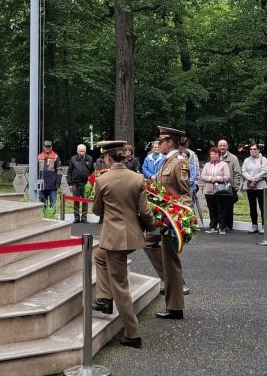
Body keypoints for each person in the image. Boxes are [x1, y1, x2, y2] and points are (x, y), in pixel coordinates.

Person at [90, 140, 157, 349]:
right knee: (99, 257)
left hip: (114, 239)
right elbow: (145, 211)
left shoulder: (103, 180)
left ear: (107, 157)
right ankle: (104, 298)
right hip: (131, 235)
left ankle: (133, 333)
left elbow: (96, 211)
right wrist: (153, 227)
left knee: (120, 286)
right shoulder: (137, 178)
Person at [144, 126, 189, 319]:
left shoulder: (179, 163)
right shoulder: (166, 162)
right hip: (162, 217)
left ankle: (175, 307)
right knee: (147, 242)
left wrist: (180, 217)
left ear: (169, 142)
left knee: (171, 262)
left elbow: (185, 194)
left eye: (161, 141)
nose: (158, 144)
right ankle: (173, 281)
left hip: (171, 219)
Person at [201, 147, 230, 234]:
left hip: (220, 191)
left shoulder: (224, 164)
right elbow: (202, 176)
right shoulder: (207, 165)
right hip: (209, 191)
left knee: (221, 209)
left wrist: (217, 178)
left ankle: (221, 227)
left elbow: (227, 177)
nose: (213, 156)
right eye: (212, 154)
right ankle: (212, 226)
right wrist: (210, 179)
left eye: (215, 154)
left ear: (219, 155)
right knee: (212, 209)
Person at [241, 143, 267, 233]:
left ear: (258, 150)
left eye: (254, 149)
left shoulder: (263, 159)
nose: (252, 151)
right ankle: (254, 225)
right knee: (252, 206)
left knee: (262, 207)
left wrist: (255, 179)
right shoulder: (246, 160)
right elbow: (243, 171)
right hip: (250, 187)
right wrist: (250, 179)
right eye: (251, 149)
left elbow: (264, 171)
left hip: (261, 186)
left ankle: (264, 226)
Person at [67, 144, 95, 223]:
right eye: (80, 151)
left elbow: (92, 172)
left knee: (85, 201)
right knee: (76, 201)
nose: (82, 153)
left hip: (86, 184)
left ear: (85, 151)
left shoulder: (90, 158)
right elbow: (69, 172)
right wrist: (70, 184)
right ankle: (76, 218)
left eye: (83, 151)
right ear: (77, 151)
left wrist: (92, 184)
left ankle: (84, 218)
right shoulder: (73, 159)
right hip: (75, 183)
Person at [218, 140, 241, 232]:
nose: (222, 147)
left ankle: (228, 225)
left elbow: (237, 173)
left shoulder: (233, 158)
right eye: (220, 145)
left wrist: (236, 185)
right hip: (217, 186)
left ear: (227, 147)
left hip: (229, 186)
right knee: (219, 207)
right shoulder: (215, 156)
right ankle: (220, 225)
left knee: (228, 207)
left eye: (224, 146)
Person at [37, 140, 61, 209]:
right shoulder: (39, 157)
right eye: (46, 147)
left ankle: (52, 219)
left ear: (51, 147)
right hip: (41, 185)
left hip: (52, 185)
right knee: (41, 203)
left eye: (49, 147)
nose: (47, 148)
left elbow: (59, 170)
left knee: (53, 203)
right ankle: (42, 218)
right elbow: (35, 170)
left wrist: (58, 183)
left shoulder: (56, 157)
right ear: (43, 147)